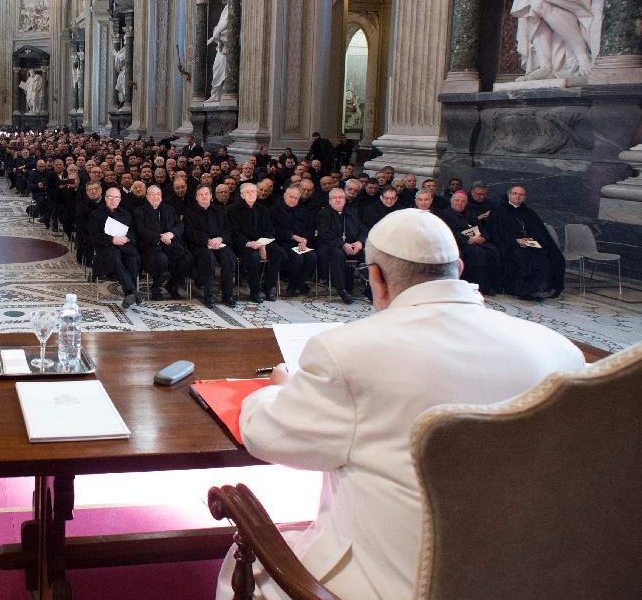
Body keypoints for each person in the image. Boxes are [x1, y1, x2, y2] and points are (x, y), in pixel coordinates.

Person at [217, 209, 586, 600]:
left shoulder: (347, 351)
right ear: (458, 268)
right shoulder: (558, 350)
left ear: (375, 277)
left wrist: (275, 389)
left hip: (388, 585)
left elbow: (268, 436)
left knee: (237, 571)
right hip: (527, 581)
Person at [487, 185, 565, 300]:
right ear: (509, 195)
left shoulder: (529, 212)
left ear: (525, 197)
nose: (518, 196)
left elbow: (540, 231)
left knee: (548, 255)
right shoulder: (498, 211)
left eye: (521, 194)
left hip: (529, 244)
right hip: (509, 245)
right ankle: (522, 289)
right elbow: (495, 232)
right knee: (523, 256)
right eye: (515, 194)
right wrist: (515, 241)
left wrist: (533, 240)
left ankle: (543, 287)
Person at [228, 183, 286, 303]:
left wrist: (262, 245)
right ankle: (255, 291)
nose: (251, 194)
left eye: (253, 192)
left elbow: (270, 230)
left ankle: (268, 287)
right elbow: (234, 232)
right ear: (242, 195)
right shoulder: (232, 210)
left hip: (261, 242)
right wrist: (249, 243)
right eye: (247, 192)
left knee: (279, 253)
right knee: (253, 257)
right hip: (243, 244)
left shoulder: (263, 209)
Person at [436, 190, 501, 297]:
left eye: (462, 201)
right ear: (451, 201)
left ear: (466, 203)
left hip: (476, 241)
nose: (459, 203)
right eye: (457, 200)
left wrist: (483, 237)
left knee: (492, 251)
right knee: (477, 253)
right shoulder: (444, 214)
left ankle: (489, 286)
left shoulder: (471, 214)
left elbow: (482, 228)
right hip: (459, 243)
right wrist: (466, 240)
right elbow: (448, 232)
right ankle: (476, 286)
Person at [184, 185, 238, 308]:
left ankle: (228, 295)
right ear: (196, 198)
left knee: (228, 259)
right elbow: (190, 233)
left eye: (206, 194)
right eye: (201, 195)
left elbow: (228, 229)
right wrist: (207, 241)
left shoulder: (220, 210)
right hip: (200, 246)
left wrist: (220, 238)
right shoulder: (189, 212)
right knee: (208, 258)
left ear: (211, 196)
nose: (204, 197)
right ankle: (208, 296)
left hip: (219, 243)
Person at [132, 185, 190, 301]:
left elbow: (179, 225)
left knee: (187, 258)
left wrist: (172, 234)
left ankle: (172, 285)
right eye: (153, 194)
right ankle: (156, 287)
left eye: (158, 194)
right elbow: (141, 230)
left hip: (170, 244)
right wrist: (160, 238)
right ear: (147, 196)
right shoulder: (139, 211)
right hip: (151, 247)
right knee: (161, 259)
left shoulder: (169, 209)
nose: (156, 196)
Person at [89, 186, 142, 308]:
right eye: (110, 197)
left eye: (116, 197)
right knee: (114, 254)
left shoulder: (126, 214)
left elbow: (133, 232)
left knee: (132, 259)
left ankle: (130, 294)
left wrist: (127, 237)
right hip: (105, 249)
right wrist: (112, 240)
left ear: (120, 199)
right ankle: (131, 291)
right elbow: (94, 236)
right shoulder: (96, 214)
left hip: (125, 247)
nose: (113, 200)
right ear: (105, 198)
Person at [316, 188, 367, 304]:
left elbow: (363, 230)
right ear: (329, 200)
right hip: (331, 246)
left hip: (352, 246)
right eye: (335, 198)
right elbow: (325, 233)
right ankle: (342, 290)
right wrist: (343, 244)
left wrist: (359, 243)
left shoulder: (352, 212)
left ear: (345, 200)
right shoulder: (323, 214)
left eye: (341, 197)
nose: (338, 200)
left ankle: (371, 290)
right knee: (337, 254)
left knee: (370, 254)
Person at [270, 186, 317, 296]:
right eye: (291, 197)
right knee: (297, 258)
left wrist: (304, 239)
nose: (293, 200)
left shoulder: (303, 210)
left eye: (296, 198)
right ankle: (295, 286)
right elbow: (274, 230)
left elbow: (310, 228)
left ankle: (296, 284)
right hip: (283, 243)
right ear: (285, 196)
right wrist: (293, 236)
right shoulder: (274, 210)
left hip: (301, 243)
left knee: (312, 257)